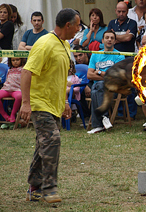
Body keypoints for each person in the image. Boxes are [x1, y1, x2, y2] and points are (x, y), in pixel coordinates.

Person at [20, 8, 80, 203]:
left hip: (54, 103)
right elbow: (26, 72)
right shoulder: (44, 44)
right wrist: (26, 103)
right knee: (52, 140)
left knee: (43, 144)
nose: (79, 28)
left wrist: (64, 102)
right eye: (78, 25)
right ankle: (49, 188)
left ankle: (34, 187)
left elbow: (60, 76)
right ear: (68, 25)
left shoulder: (64, 44)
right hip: (39, 103)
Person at [87, 30, 125, 134]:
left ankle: (99, 122)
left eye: (112, 38)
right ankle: (102, 120)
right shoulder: (95, 55)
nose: (109, 40)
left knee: (97, 86)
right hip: (99, 87)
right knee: (96, 89)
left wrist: (98, 71)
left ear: (115, 41)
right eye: (107, 37)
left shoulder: (119, 55)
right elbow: (89, 75)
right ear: (102, 40)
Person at [0, 57, 25, 126]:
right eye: (13, 60)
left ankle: (12, 115)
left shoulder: (23, 70)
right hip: (7, 89)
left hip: (17, 89)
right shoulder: (9, 70)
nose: (15, 62)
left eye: (17, 60)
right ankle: (5, 115)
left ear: (21, 60)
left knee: (19, 96)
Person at [73, 44, 91, 119]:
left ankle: (90, 116)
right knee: (76, 90)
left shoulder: (92, 60)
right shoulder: (75, 65)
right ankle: (84, 116)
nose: (78, 58)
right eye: (76, 56)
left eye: (80, 55)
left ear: (85, 53)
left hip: (93, 81)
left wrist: (86, 85)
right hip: (81, 83)